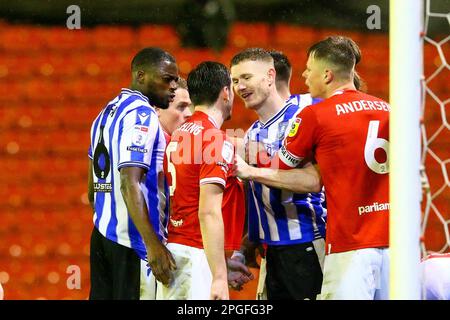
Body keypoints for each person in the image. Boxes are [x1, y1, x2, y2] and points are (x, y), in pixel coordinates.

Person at [234, 36, 390, 300]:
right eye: (235, 80)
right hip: (392, 239)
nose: (304, 75)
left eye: (309, 69)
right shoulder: (387, 109)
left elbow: (287, 168)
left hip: (340, 242)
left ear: (327, 75)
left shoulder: (313, 111)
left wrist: (246, 163)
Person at [230, 48, 326, 300]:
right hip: (271, 253)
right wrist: (245, 244)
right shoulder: (252, 132)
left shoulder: (305, 113)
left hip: (306, 245)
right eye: (235, 81)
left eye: (246, 78)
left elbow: (314, 180)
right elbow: (257, 198)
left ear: (270, 76)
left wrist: (252, 171)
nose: (240, 87)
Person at [87, 47, 178, 299]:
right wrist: (152, 244)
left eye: (176, 80)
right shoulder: (142, 114)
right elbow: (130, 181)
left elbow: (92, 190)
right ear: (141, 76)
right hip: (133, 243)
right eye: (167, 78)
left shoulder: (104, 114)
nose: (173, 86)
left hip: (102, 236)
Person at [156, 61, 250, 300]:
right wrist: (219, 276)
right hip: (198, 254)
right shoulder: (214, 140)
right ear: (226, 92)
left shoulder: (178, 134)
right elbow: (208, 212)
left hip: (177, 250)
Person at [140, 77, 192, 300]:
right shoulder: (156, 147)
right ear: (157, 110)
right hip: (146, 255)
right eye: (180, 107)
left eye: (190, 106)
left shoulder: (170, 145)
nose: (188, 114)